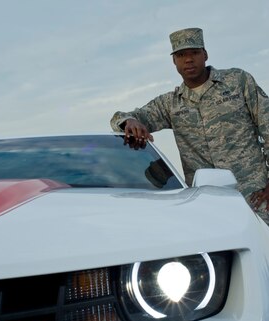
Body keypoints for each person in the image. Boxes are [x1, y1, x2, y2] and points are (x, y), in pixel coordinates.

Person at [110, 27, 269, 225]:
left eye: (194, 52)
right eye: (181, 55)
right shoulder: (171, 104)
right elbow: (123, 117)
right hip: (208, 206)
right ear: (174, 61)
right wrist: (129, 121)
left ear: (205, 54)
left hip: (257, 196)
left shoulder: (237, 82)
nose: (188, 59)